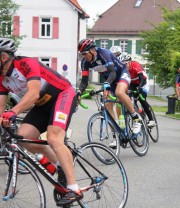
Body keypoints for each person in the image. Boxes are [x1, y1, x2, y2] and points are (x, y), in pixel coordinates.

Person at [0, 37, 82, 206]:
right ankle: (61, 164)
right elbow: (0, 107)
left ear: (3, 57)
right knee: (23, 137)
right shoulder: (1, 78)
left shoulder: (26, 64)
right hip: (42, 104)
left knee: (53, 138)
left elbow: (33, 94)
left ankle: (74, 188)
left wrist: (13, 112)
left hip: (62, 95)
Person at [77, 38, 142, 134]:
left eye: (85, 53)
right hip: (110, 80)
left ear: (92, 50)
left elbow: (112, 72)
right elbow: (84, 81)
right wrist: (79, 92)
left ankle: (136, 118)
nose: (83, 56)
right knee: (107, 104)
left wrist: (106, 84)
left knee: (119, 93)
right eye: (81, 54)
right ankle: (115, 133)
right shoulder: (85, 62)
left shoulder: (104, 53)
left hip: (121, 74)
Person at [119, 52, 156, 127]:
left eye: (126, 63)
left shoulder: (135, 65)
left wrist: (139, 87)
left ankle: (151, 120)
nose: (124, 65)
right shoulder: (122, 68)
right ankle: (138, 112)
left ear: (130, 62)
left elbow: (142, 78)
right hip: (132, 83)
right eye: (123, 64)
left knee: (142, 98)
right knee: (130, 99)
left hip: (143, 82)